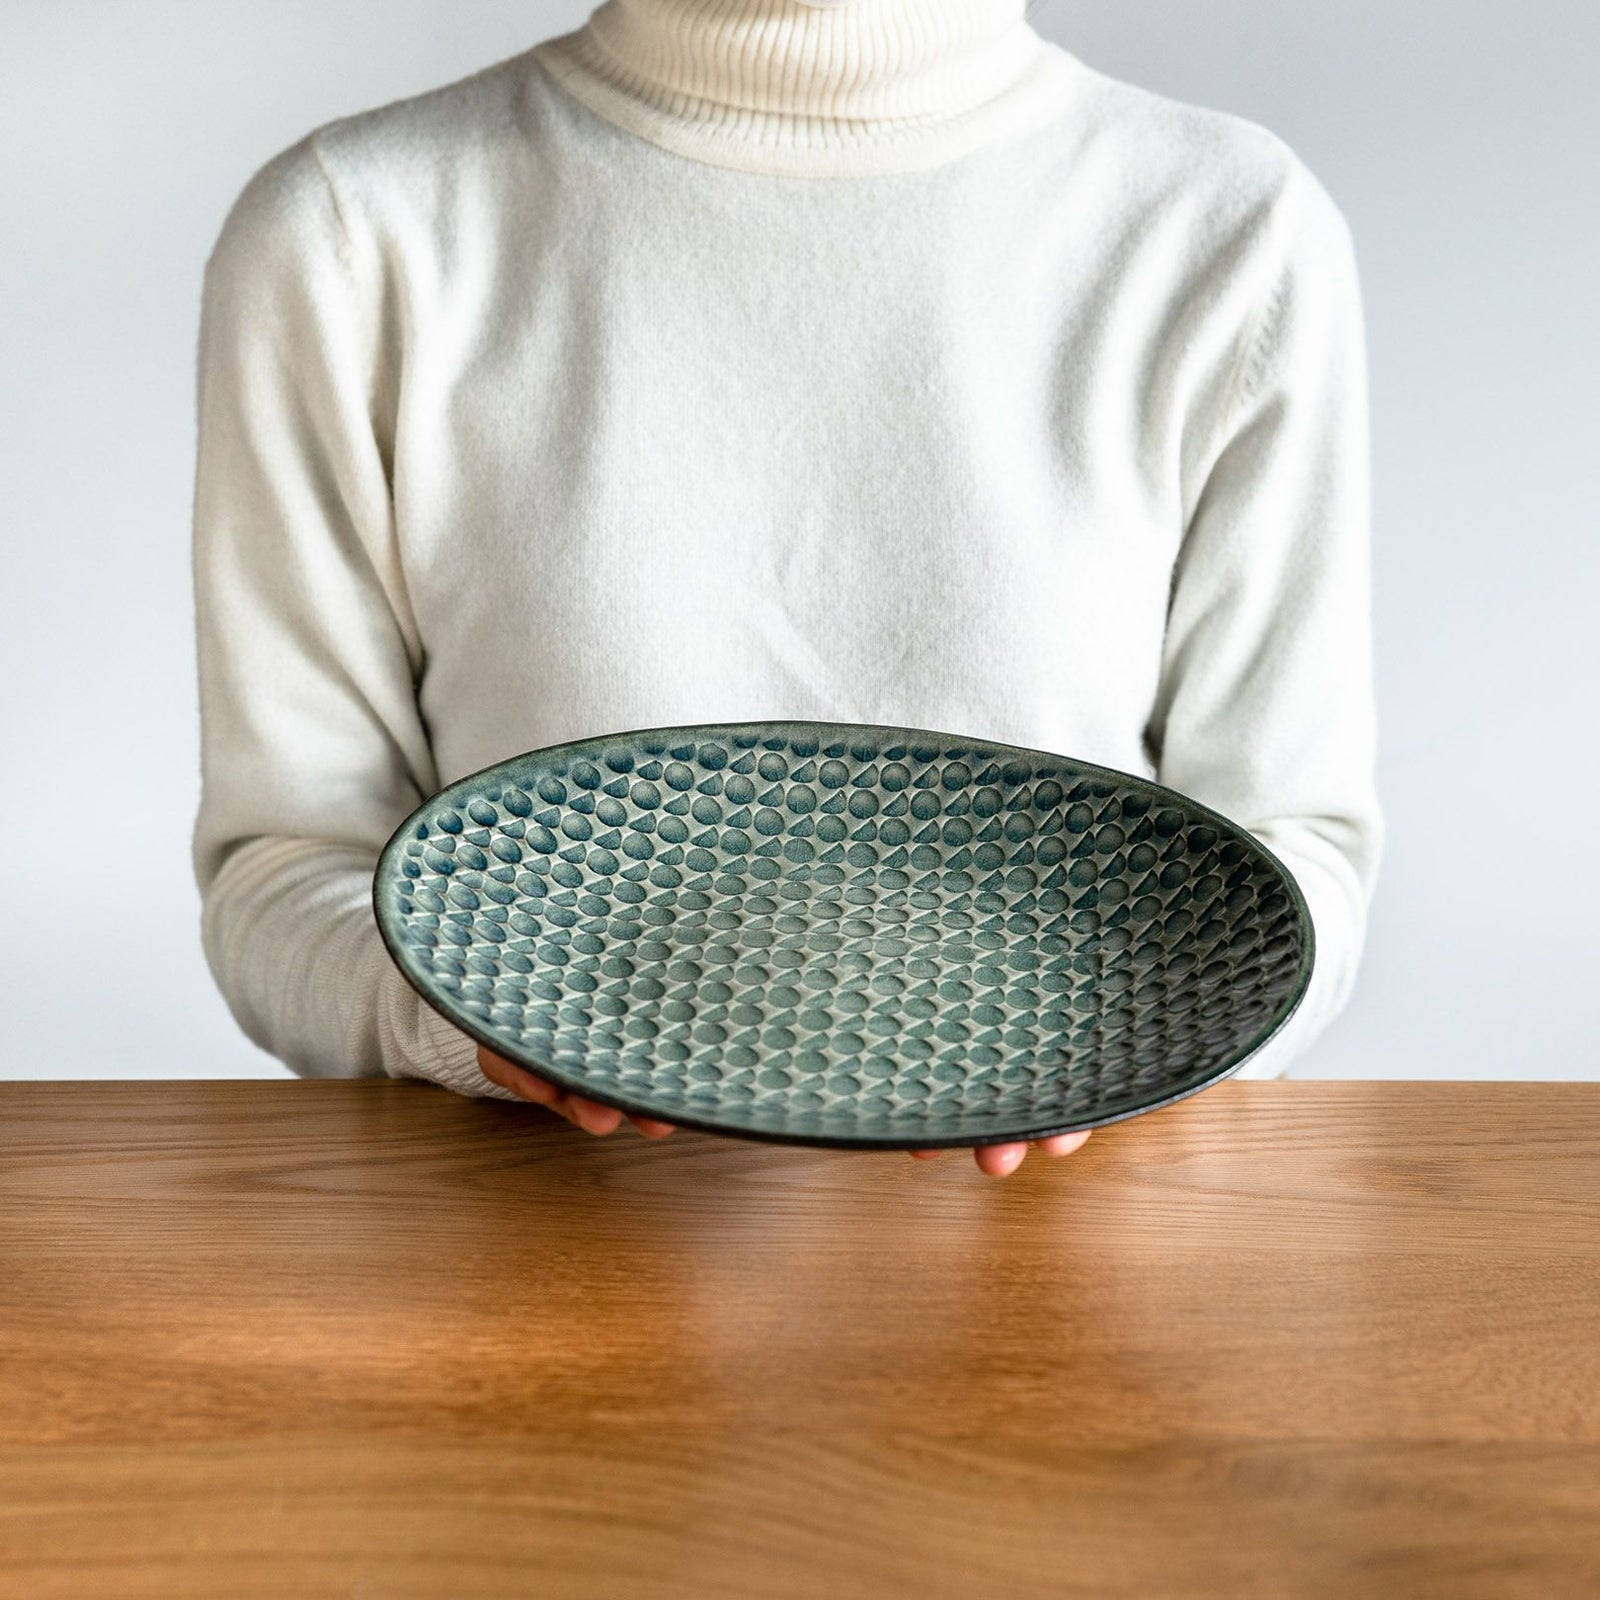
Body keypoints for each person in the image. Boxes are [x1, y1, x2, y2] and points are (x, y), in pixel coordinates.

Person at [191, 0, 1383, 1178]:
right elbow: (286, 873)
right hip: (540, 1236)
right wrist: (461, 1026)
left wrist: (1146, 1035)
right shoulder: (354, 233)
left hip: (1066, 1248)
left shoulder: (1225, 225)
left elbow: (1294, 858)